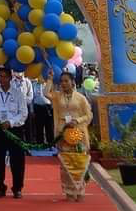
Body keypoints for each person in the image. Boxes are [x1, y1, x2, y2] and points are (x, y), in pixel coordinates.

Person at [43, 69, 93, 201]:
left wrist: (78, 120)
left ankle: (80, 190)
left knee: (79, 163)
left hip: (78, 134)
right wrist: (50, 79)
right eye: (61, 82)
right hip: (62, 134)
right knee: (66, 164)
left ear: (72, 82)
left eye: (66, 81)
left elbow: (89, 115)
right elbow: (46, 93)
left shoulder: (81, 98)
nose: (63, 84)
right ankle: (69, 192)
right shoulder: (57, 96)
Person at [0, 65, 28, 198]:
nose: (2, 79)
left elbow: (23, 113)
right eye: (0, 76)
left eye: (5, 76)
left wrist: (11, 122)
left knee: (17, 160)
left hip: (15, 130)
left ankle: (17, 188)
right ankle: (0, 186)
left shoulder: (18, 93)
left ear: (10, 77)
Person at [30, 77, 52, 147]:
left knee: (49, 126)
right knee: (39, 126)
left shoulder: (48, 84)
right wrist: (32, 110)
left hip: (48, 107)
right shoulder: (34, 85)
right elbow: (32, 98)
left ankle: (50, 143)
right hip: (38, 107)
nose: (41, 77)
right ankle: (40, 143)